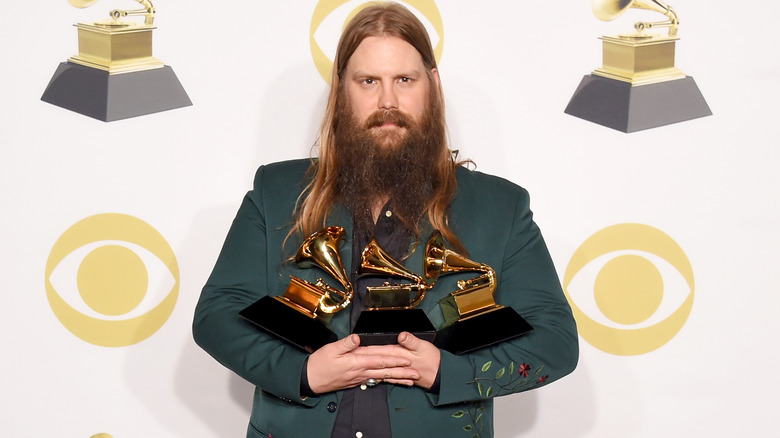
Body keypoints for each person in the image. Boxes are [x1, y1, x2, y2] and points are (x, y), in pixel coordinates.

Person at [192, 3, 578, 437]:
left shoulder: (501, 206)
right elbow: (216, 315)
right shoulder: (276, 192)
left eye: (404, 80)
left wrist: (449, 373)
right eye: (369, 81)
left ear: (431, 84)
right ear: (342, 89)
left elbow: (557, 343)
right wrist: (301, 373)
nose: (388, 101)